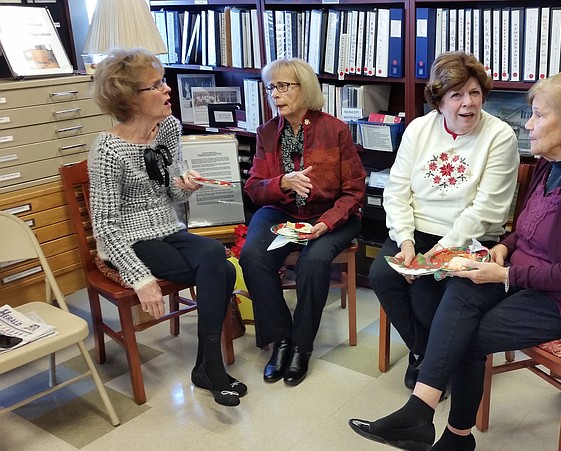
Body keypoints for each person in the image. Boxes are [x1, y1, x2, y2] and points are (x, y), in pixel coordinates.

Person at [349, 71, 561, 450]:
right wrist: (504, 247)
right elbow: (527, 227)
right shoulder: (551, 163)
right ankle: (421, 413)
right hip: (531, 276)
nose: (528, 125)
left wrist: (504, 273)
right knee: (460, 285)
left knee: (469, 334)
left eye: (538, 115)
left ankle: (452, 436)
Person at [88, 48, 244, 407]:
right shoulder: (108, 151)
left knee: (216, 258)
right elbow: (105, 228)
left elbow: (170, 192)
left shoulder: (169, 128)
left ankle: (208, 366)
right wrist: (140, 278)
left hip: (168, 227)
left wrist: (184, 186)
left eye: (163, 82)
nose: (167, 89)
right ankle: (211, 368)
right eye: (156, 86)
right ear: (130, 98)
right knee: (217, 266)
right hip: (129, 239)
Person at [367, 51, 519, 390]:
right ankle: (425, 352)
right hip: (418, 230)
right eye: (457, 95)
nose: (468, 103)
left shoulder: (500, 136)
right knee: (382, 275)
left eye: (475, 93)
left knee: (424, 289)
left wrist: (435, 255)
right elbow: (397, 190)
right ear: (439, 100)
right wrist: (406, 241)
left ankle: (435, 362)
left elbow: (487, 210)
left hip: (470, 238)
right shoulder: (419, 129)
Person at [239, 58, 366, 387]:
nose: (275, 94)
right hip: (283, 211)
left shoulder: (335, 129)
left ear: (304, 88)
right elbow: (253, 188)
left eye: (283, 86)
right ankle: (281, 340)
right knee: (253, 256)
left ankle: (302, 346)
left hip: (333, 213)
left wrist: (325, 224)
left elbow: (354, 192)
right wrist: (281, 183)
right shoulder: (267, 133)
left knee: (314, 260)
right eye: (271, 88)